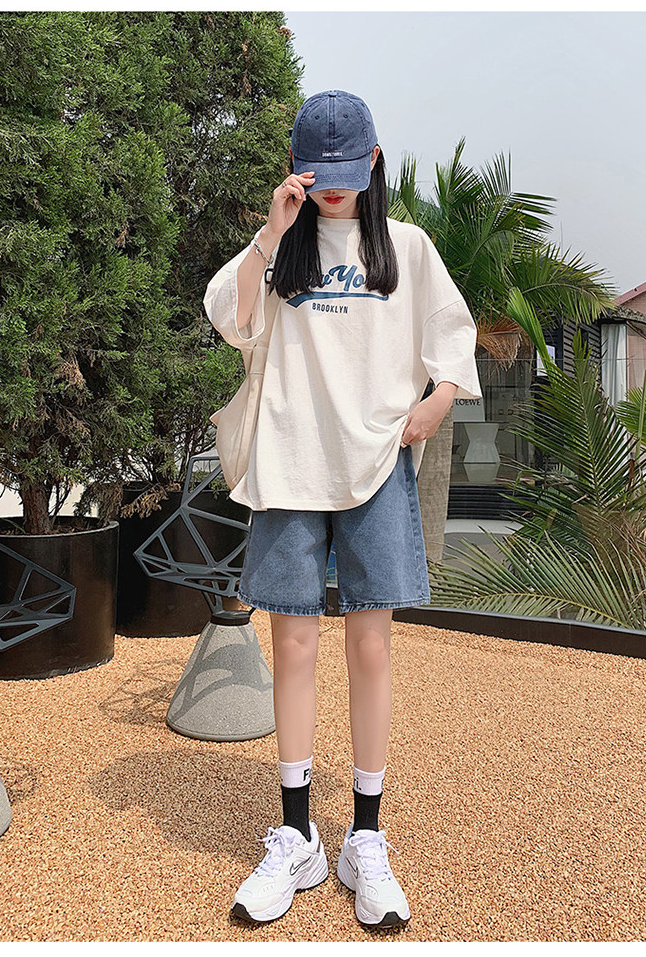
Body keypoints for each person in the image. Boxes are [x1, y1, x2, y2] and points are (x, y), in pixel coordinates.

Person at [203, 90, 481, 929]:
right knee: (291, 644)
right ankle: (296, 837)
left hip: (377, 463)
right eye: (318, 172)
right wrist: (270, 231)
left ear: (374, 162)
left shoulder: (407, 247)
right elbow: (231, 321)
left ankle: (365, 835)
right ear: (296, 168)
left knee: (370, 646)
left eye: (348, 171)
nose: (332, 187)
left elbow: (453, 338)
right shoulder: (279, 249)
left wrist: (437, 402)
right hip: (290, 464)